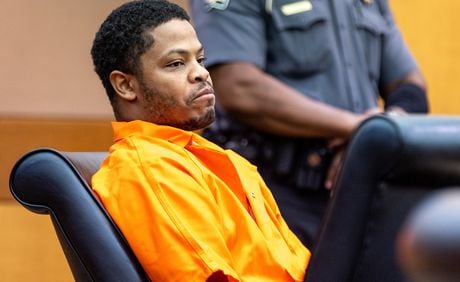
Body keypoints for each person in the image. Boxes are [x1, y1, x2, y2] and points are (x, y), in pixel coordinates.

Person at [90, 1, 309, 280]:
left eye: (201, 59)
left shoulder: (221, 160)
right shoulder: (149, 169)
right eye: (177, 63)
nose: (201, 73)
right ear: (126, 85)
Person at [189, 0, 429, 248]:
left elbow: (409, 83)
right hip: (271, 194)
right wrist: (359, 130)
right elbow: (237, 87)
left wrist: (388, 124)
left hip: (357, 186)